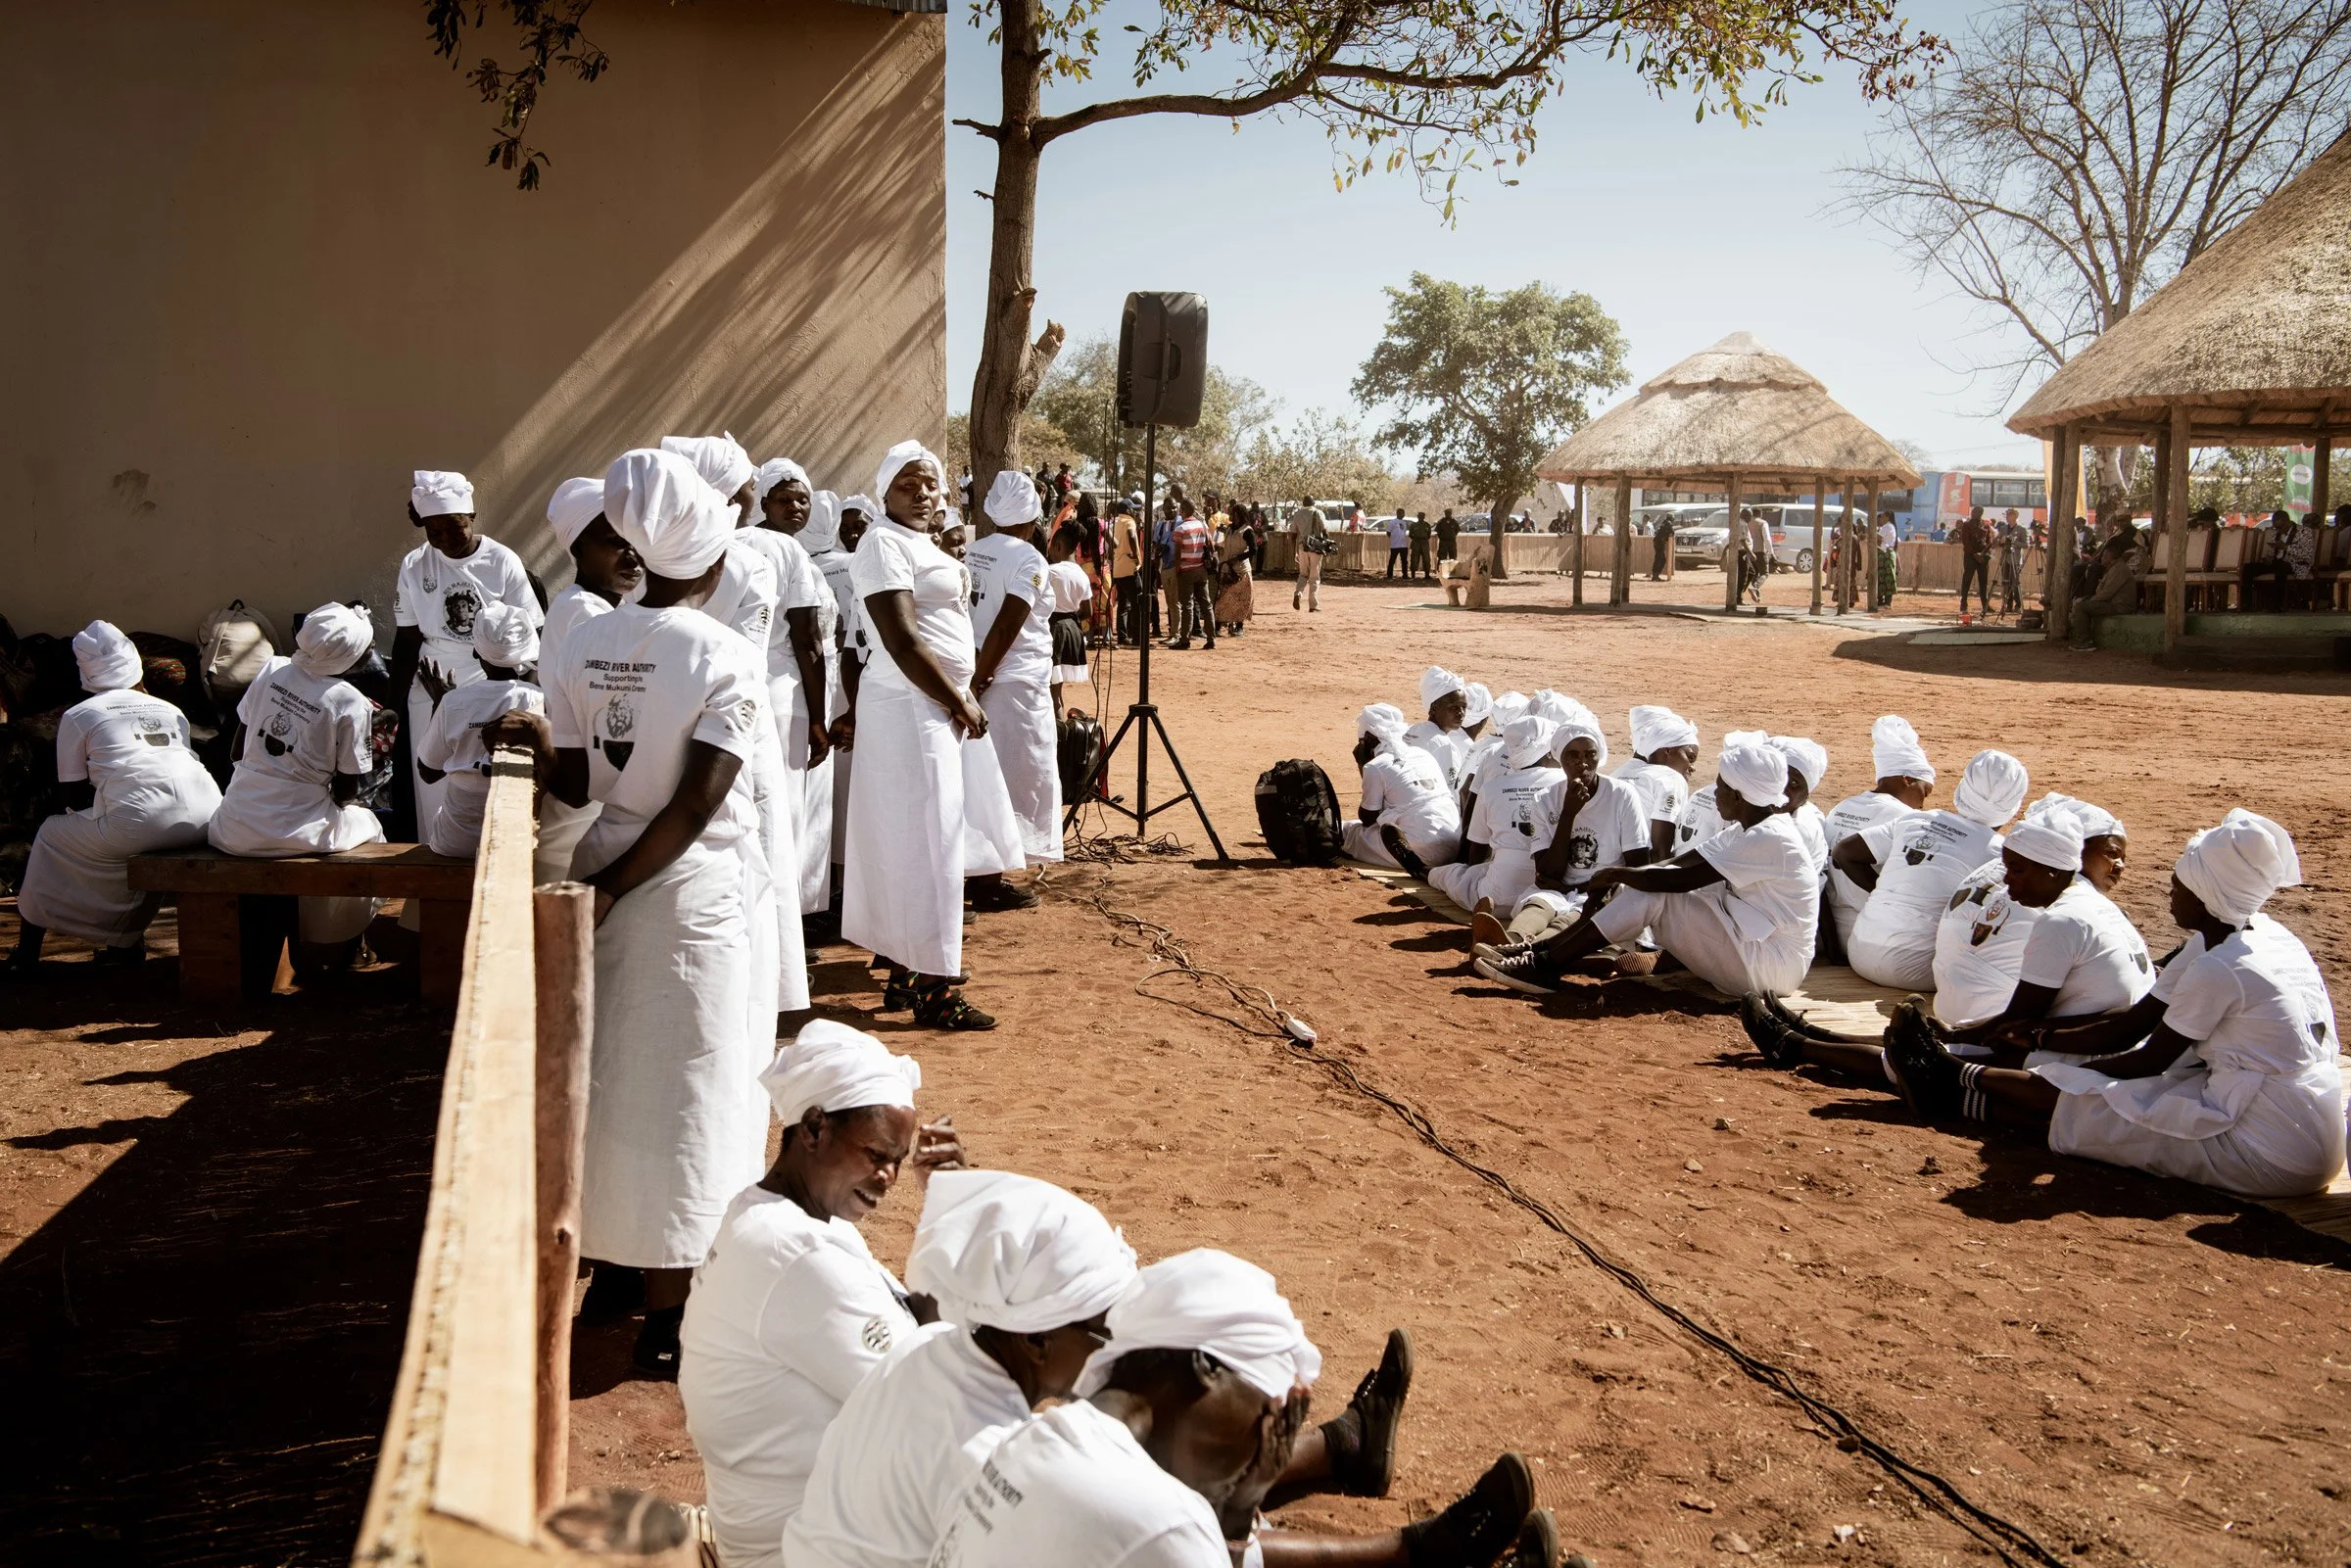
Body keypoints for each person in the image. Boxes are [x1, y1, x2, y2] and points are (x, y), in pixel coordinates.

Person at [525, 449, 783, 1375]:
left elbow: (589, 778)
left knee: (617, 1088)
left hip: (612, 864)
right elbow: (693, 806)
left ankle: (621, 1273)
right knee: (688, 1096)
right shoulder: (725, 656)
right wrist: (614, 889)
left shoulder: (588, 641)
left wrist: (533, 747)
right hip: (681, 892)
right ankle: (675, 1313)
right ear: (713, 563)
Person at [929, 1249, 1551, 1568]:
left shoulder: (1039, 1434)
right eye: (1267, 1412)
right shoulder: (1160, 1520)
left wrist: (1245, 1497)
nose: (1267, 1440)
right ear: (1205, 1367)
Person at [1884, 811, 2343, 1200]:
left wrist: (2059, 1073)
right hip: (2292, 1115)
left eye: (2179, 886)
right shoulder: (2255, 939)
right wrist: (2045, 1040)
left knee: (2086, 1110)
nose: (2170, 894)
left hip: (2268, 1146)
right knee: (2090, 1090)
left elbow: (2146, 1059)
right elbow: (2131, 1025)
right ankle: (1952, 1077)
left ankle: (1948, 1078)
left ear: (2207, 896)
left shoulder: (2223, 966)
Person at [678, 1021, 964, 1568]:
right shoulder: (798, 1253)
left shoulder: (768, 1213)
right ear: (813, 1128)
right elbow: (940, 1402)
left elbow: (919, 1323)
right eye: (877, 1154)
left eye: (899, 1161)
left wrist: (950, 1203)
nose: (890, 1177)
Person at [1748, 797, 2148, 1072]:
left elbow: (2017, 1021)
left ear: (2053, 871)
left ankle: (1803, 1045)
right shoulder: (2082, 908)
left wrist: (1960, 1032)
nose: (2006, 881)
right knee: (1937, 1048)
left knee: (1928, 1060)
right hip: (2070, 1039)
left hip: (2080, 1053)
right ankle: (1812, 1037)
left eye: (2017, 871)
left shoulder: (2064, 918)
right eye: (2007, 867)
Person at [844, 441, 999, 1029]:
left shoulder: (916, 542)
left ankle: (909, 974)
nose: (924, 492)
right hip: (913, 709)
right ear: (885, 492)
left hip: (931, 710)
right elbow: (903, 640)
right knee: (931, 845)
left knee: (921, 842)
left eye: (932, 483)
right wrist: (957, 697)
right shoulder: (882, 544)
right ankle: (936, 990)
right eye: (910, 483)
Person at [1473, 737, 1818, 998]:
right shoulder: (1748, 830)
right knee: (1643, 885)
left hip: (1769, 967)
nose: (1714, 793)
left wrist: (1615, 874)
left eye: (1722, 787)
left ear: (1740, 797)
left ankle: (1545, 965)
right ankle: (1543, 951)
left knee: (1653, 891)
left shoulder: (1771, 839)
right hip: (1750, 947)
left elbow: (1682, 879)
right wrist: (1616, 879)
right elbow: (1679, 862)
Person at [7, 621, 221, 973]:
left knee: (51, 834)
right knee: (125, 836)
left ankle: (27, 955)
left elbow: (73, 794)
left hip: (140, 823)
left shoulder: (79, 715)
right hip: (208, 816)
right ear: (136, 663)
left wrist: (109, 803)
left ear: (86, 672)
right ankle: (124, 943)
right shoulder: (170, 710)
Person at [206, 603, 386, 970]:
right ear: (350, 657)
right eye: (367, 648)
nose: (371, 653)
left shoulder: (273, 668)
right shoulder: (350, 701)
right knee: (371, 828)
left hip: (234, 826)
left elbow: (238, 747)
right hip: (295, 830)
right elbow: (348, 789)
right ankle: (336, 942)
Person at [390, 470, 542, 840]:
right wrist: (393, 702)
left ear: (471, 517)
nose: (444, 540)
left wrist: (530, 690)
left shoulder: (502, 560)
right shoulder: (414, 564)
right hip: (431, 680)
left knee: (481, 777)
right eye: (433, 531)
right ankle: (435, 851)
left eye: (453, 527)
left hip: (490, 680)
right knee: (432, 780)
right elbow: (407, 636)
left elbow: (532, 631)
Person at [739, 455, 842, 924]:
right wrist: (818, 719)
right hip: (785, 693)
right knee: (784, 811)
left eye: (804, 498)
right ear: (763, 501)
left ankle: (788, 916)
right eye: (785, 499)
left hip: (757, 691)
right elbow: (808, 642)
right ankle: (783, 923)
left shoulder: (742, 543)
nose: (796, 507)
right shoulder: (783, 552)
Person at [1834, 748, 2028, 990]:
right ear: (2014, 804)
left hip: (1860, 952)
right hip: (1921, 971)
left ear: (1962, 788)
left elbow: (1844, 852)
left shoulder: (1916, 820)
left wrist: (1885, 895)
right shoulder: (1999, 852)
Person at [1467, 715, 1651, 956]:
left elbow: (1639, 865)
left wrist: (1580, 886)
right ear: (1560, 759)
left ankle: (1527, 951)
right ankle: (1508, 941)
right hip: (1556, 887)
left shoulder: (1622, 795)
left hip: (1605, 889)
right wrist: (1568, 814)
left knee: (1576, 913)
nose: (1582, 762)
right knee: (1539, 904)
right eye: (1572, 755)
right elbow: (1548, 872)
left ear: (1600, 755)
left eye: (1590, 754)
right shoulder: (1543, 800)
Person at [968, 472, 1064, 876]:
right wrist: (982, 676)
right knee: (1023, 775)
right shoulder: (1029, 559)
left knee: (982, 779)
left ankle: (983, 865)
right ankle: (1002, 865)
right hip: (1012, 684)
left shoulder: (973, 551)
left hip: (978, 675)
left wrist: (972, 678)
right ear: (1034, 518)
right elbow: (1008, 623)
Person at [412, 602, 542, 859]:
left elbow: (428, 772)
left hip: (455, 841)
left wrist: (441, 703)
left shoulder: (453, 702)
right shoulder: (540, 701)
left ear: (475, 652)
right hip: (514, 842)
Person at [1819, 716, 1934, 952]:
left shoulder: (1841, 807)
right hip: (1873, 938)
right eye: (1925, 791)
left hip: (1829, 935)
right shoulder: (1903, 818)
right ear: (1907, 779)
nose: (1923, 804)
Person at [1340, 704, 1461, 879]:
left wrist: (1362, 765)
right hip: (1453, 844)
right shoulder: (1423, 754)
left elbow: (1367, 818)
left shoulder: (1376, 766)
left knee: (1349, 832)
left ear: (1368, 738)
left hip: (1421, 848)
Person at [1612, 705, 1699, 861]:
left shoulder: (1617, 774)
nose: (1692, 767)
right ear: (1668, 750)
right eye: (1690, 757)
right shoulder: (1670, 778)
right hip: (1631, 874)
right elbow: (1660, 852)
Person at [2066, 531, 2146, 649]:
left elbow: (2106, 593)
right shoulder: (2113, 569)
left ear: (2110, 558)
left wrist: (2089, 600)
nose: (2102, 558)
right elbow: (2102, 590)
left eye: (2104, 556)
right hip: (2113, 603)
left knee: (2081, 607)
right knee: (2081, 604)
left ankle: (2084, 641)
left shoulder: (2119, 569)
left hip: (2119, 606)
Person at [1042, 532, 1094, 710]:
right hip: (1073, 631)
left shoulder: (1050, 572)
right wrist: (1069, 620)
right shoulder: (1081, 574)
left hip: (1052, 630)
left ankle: (1057, 735)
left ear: (1058, 546)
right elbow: (1088, 611)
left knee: (1049, 693)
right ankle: (1060, 731)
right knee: (1056, 690)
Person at [1403, 666, 1472, 790]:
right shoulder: (1442, 745)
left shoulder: (1412, 730)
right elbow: (1450, 791)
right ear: (1434, 708)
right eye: (1454, 707)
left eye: (1464, 707)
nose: (1461, 713)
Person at [2239, 507, 2319, 612]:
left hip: (2295, 564)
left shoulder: (2304, 532)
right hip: (2277, 562)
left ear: (2287, 522)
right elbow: (2272, 553)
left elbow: (2307, 555)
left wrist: (2286, 548)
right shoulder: (2276, 533)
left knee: (2281, 567)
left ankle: (2277, 604)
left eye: (2280, 527)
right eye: (2276, 528)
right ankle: (2246, 603)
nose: (2278, 530)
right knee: (2248, 568)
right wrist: (2268, 558)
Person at [1169, 499, 1216, 650]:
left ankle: (1185, 639)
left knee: (1187, 605)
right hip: (1201, 570)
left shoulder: (1180, 529)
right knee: (1206, 604)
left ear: (1182, 510)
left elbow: (1177, 552)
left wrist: (1177, 569)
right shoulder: (1203, 525)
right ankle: (1211, 638)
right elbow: (1211, 546)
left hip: (1186, 570)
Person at [1111, 495, 1147, 645]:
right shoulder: (1128, 521)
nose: (1134, 512)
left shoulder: (1115, 522)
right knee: (1137, 603)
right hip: (1130, 567)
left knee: (1123, 605)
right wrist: (1137, 558)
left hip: (1118, 568)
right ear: (1127, 510)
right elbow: (1132, 536)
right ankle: (1137, 638)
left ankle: (1122, 636)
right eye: (1132, 509)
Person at [1214, 511, 1256, 634]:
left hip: (1240, 571)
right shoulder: (1229, 529)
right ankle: (1217, 625)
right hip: (1227, 569)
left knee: (1241, 600)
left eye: (1237, 516)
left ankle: (1239, 626)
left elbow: (1254, 550)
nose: (1234, 518)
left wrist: (1238, 558)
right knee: (1222, 598)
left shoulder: (1247, 531)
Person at [1290, 495, 1330, 613]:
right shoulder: (1318, 513)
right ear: (1313, 503)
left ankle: (1298, 593)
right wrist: (1326, 545)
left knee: (1303, 574)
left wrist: (1295, 551)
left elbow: (1293, 534)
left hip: (1302, 547)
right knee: (1314, 577)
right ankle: (1313, 605)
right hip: (1316, 549)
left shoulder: (1297, 514)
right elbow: (1324, 530)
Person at [1955, 505, 1993, 616]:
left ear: (1980, 514)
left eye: (1977, 512)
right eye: (1973, 512)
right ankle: (1963, 604)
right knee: (1967, 580)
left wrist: (1983, 553)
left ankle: (1985, 605)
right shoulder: (1967, 525)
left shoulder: (1986, 525)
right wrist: (1974, 554)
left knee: (1983, 582)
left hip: (1983, 556)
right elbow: (1965, 542)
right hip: (1970, 556)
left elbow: (1989, 540)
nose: (1974, 514)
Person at [1875, 510, 1899, 604]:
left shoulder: (1886, 526)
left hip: (1885, 553)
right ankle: (1886, 600)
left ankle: (1884, 600)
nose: (1881, 519)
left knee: (1884, 577)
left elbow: (1878, 538)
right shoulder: (1891, 526)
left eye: (1883, 517)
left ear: (1888, 517)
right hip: (1889, 553)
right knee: (1886, 576)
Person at [1382, 507, 1410, 579]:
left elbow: (1403, 532)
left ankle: (1405, 575)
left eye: (1403, 513)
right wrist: (1393, 538)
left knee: (1404, 561)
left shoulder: (1404, 523)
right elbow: (1388, 532)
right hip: (1395, 545)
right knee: (1392, 560)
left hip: (1403, 545)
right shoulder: (1392, 522)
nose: (1402, 515)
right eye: (1401, 513)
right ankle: (1389, 575)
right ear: (1397, 513)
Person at [1407, 512, 1433, 580]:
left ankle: (1427, 575)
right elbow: (1410, 534)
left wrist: (1423, 539)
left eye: (1422, 516)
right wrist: (1416, 539)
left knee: (1426, 559)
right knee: (1414, 559)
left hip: (1424, 543)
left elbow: (1429, 535)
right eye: (1419, 516)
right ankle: (1413, 575)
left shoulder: (1427, 525)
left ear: (1424, 517)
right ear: (1417, 517)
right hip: (1416, 543)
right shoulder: (1413, 525)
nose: (1421, 517)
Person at [1650, 512, 1674, 581]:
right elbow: (1672, 532)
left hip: (1657, 541)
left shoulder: (1663, 522)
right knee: (1661, 559)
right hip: (1660, 542)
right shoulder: (1668, 523)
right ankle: (1655, 575)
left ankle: (1655, 575)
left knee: (1658, 558)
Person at [1434, 508, 1460, 572]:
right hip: (1443, 542)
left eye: (1449, 513)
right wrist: (1443, 538)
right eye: (1446, 513)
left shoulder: (1454, 522)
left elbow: (1456, 531)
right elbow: (1438, 532)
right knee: (1442, 557)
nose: (1447, 514)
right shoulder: (1441, 522)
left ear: (1451, 514)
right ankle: (1440, 571)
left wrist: (1451, 537)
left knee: (1453, 557)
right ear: (1445, 514)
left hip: (1452, 542)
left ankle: (1452, 571)